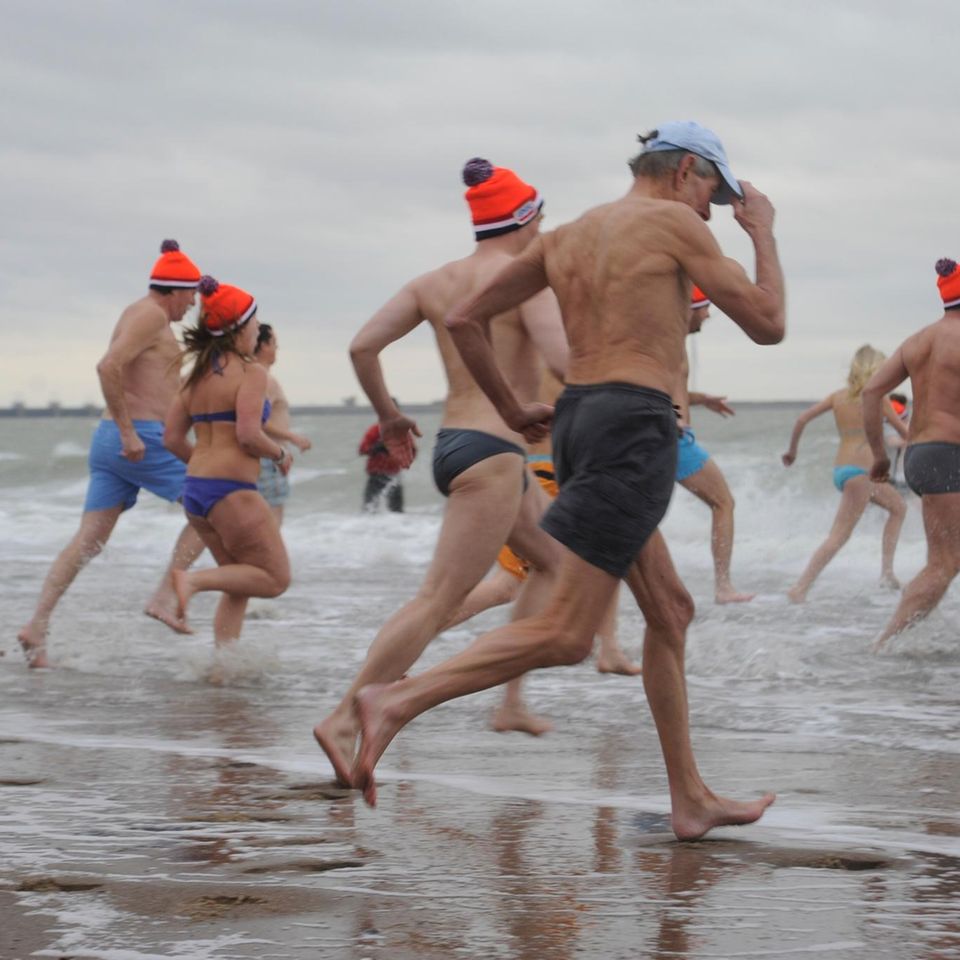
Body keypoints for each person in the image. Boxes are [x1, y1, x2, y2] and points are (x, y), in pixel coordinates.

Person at [349, 120, 785, 841]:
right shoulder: (674, 224)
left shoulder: (568, 236)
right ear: (683, 170)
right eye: (712, 191)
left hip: (579, 421)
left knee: (670, 611)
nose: (712, 210)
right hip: (634, 425)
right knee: (565, 634)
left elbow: (464, 317)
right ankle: (394, 700)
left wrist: (512, 408)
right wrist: (762, 232)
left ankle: (690, 798)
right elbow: (768, 323)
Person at [314, 157, 570, 785]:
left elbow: (362, 347)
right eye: (541, 220)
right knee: (437, 599)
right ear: (527, 218)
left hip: (460, 443)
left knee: (555, 563)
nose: (543, 230)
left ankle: (508, 698)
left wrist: (390, 416)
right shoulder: (526, 282)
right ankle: (346, 717)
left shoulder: (434, 282)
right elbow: (566, 361)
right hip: (493, 454)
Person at [17, 240, 206, 667]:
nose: (193, 303)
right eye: (191, 294)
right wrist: (129, 432)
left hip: (114, 441)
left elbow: (154, 381)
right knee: (212, 505)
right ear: (175, 289)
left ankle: (36, 627)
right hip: (139, 439)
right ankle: (165, 596)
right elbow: (108, 366)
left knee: (89, 540)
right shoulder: (149, 314)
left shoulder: (146, 315)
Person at [449, 368, 643, 677]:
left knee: (605, 558)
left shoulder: (538, 355)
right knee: (509, 584)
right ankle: (418, 634)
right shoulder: (572, 356)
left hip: (530, 466)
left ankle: (608, 647)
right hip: (553, 472)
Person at [163, 276, 292, 648]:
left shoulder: (194, 377)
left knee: (239, 580)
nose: (257, 328)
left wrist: (206, 468)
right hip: (232, 492)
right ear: (239, 329)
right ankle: (191, 580)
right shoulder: (251, 372)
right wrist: (280, 454)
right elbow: (248, 435)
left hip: (197, 493)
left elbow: (171, 438)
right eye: (254, 322)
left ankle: (224, 667)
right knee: (275, 578)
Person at [864, 258, 960, 650]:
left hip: (920, 455)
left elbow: (871, 391)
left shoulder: (918, 340)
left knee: (947, 559)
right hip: (948, 456)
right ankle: (883, 645)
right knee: (944, 563)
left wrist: (879, 456)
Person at [782, 344, 907, 603]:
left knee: (898, 507)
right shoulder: (878, 398)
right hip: (861, 474)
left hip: (843, 470)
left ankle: (887, 573)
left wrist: (792, 451)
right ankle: (800, 587)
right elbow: (905, 433)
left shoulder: (838, 397)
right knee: (839, 536)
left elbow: (802, 419)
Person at [674, 287, 753, 603]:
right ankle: (723, 586)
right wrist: (670, 418)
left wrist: (701, 399)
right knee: (723, 502)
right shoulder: (666, 340)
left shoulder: (671, 340)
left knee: (638, 518)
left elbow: (672, 388)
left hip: (670, 436)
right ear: (688, 308)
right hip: (672, 439)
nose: (708, 315)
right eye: (704, 308)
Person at [253, 323, 312, 525]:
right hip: (268, 456)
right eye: (274, 343)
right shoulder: (265, 379)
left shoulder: (252, 376)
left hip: (263, 455)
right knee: (272, 518)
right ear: (263, 345)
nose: (277, 348)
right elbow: (256, 419)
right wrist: (292, 437)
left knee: (260, 518)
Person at [359, 404, 414, 512]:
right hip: (376, 475)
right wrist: (375, 447)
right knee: (369, 509)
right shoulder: (375, 430)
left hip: (394, 476)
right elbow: (362, 449)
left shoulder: (402, 431)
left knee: (397, 511)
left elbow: (412, 452)